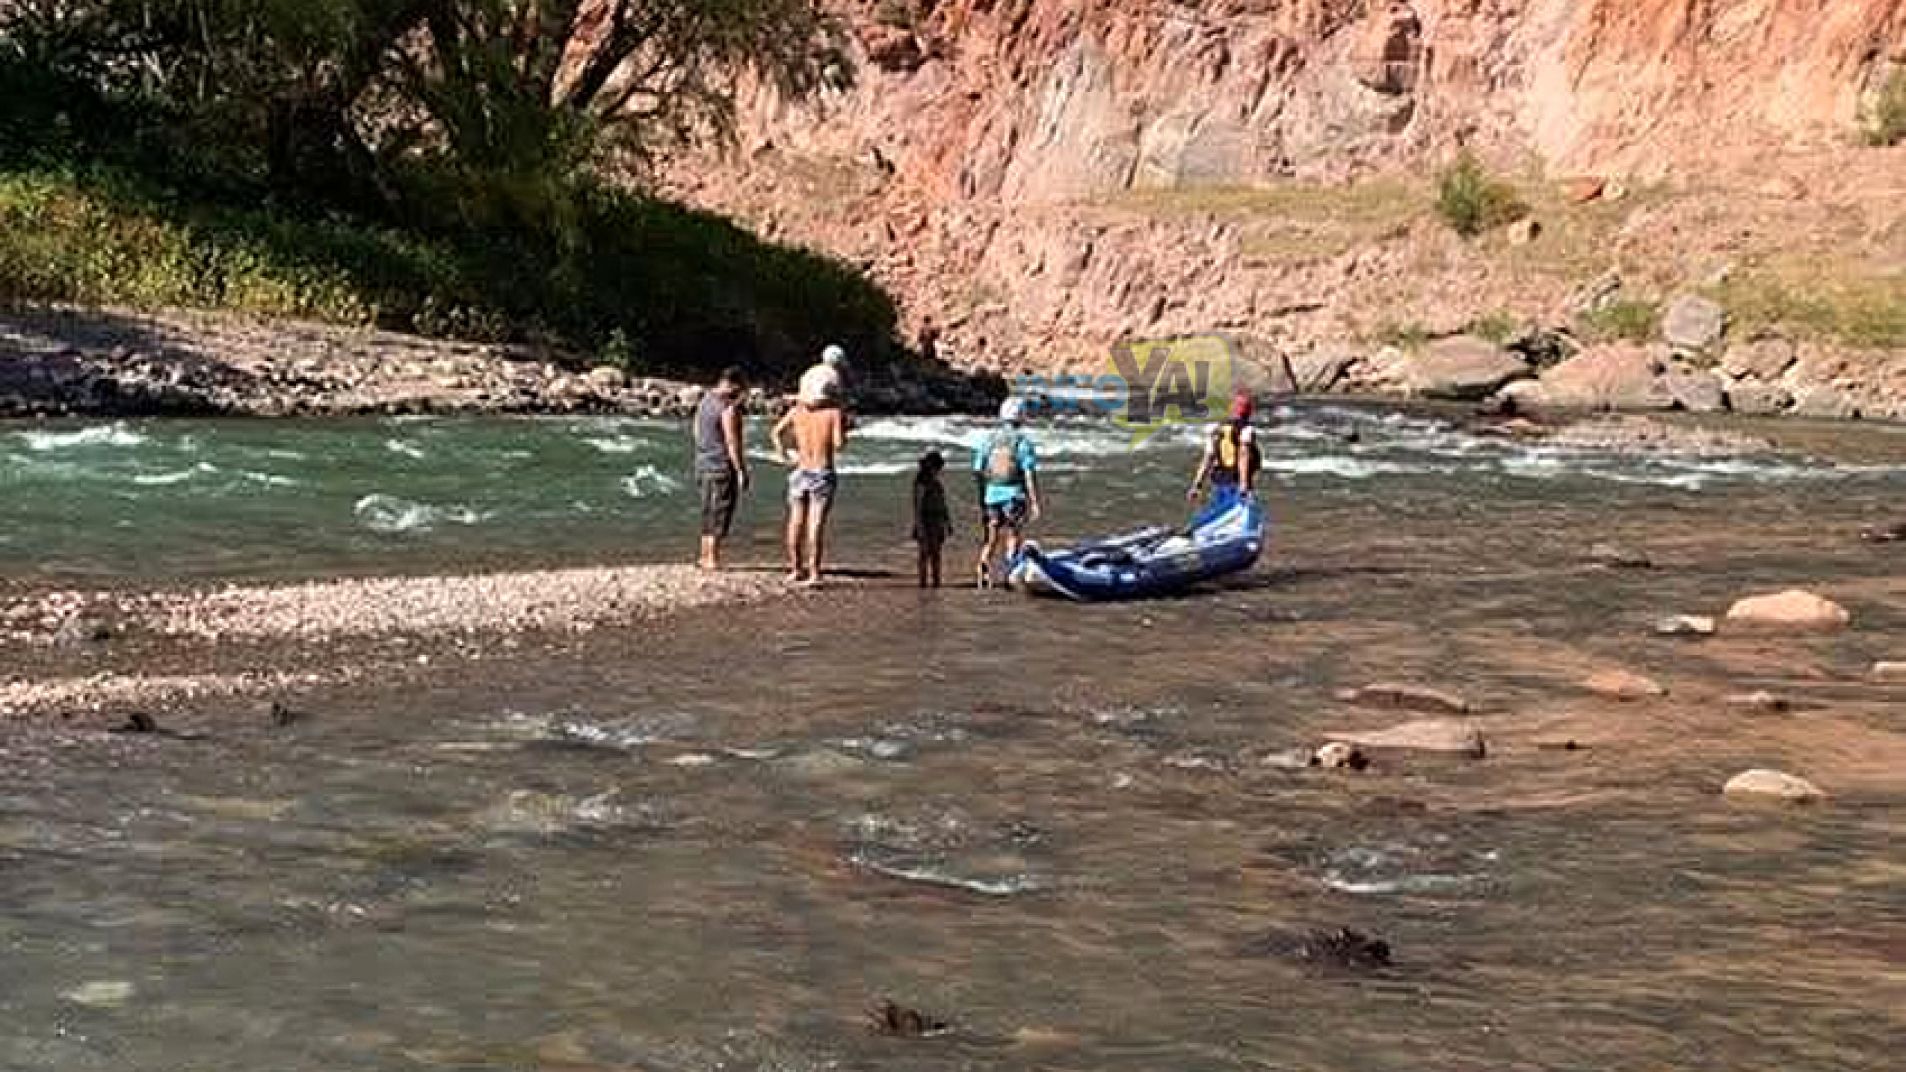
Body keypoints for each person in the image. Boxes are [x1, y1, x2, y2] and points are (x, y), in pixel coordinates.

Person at [770, 391, 847, 587]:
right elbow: (839, 445)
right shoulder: (832, 413)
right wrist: (844, 430)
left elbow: (776, 432)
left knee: (795, 521)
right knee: (815, 523)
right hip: (821, 471)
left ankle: (796, 568)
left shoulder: (797, 411)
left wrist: (784, 455)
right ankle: (814, 573)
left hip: (800, 470)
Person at [973, 396, 1042, 588]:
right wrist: (1035, 501)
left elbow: (978, 470)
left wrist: (982, 496)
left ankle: (984, 566)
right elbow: (1028, 473)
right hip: (1014, 495)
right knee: (1013, 534)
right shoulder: (1022, 442)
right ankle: (1009, 572)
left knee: (992, 537)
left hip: (990, 495)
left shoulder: (989, 440)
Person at [692, 367, 750, 570]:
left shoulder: (705, 401)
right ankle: (713, 558)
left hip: (703, 462)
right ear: (734, 384)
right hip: (721, 465)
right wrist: (741, 470)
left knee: (707, 510)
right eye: (741, 388)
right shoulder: (727, 408)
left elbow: (696, 432)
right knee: (721, 511)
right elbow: (733, 443)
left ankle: (704, 555)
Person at [1188, 389, 1262, 502]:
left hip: (1220, 481)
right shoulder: (1247, 431)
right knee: (1238, 501)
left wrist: (1197, 485)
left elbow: (1208, 459)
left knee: (1222, 500)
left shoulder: (1216, 430)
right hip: (1239, 484)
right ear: (1249, 412)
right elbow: (1243, 455)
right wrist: (1244, 487)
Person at [912, 450, 951, 588]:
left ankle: (936, 582)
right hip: (926, 521)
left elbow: (943, 504)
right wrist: (920, 527)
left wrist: (947, 523)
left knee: (935, 554)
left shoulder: (936, 483)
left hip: (936, 521)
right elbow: (918, 507)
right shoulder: (921, 484)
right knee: (925, 554)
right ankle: (924, 583)